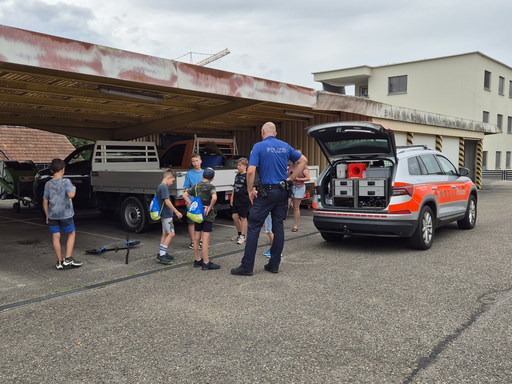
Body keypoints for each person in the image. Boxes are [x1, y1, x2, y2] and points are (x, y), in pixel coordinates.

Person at [231, 122, 307, 276]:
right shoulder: (285, 146)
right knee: (278, 226)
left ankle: (247, 267)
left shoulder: (259, 146)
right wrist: (290, 179)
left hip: (266, 193)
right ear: (275, 133)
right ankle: (273, 265)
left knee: (253, 227)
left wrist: (250, 190)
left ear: (262, 131)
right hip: (282, 193)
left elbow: (251, 171)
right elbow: (303, 161)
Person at [43, 158, 82, 270]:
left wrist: (47, 215)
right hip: (65, 214)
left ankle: (59, 261)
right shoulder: (66, 182)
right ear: (63, 170)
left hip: (52, 215)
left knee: (56, 236)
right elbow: (71, 195)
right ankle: (68, 258)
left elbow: (45, 202)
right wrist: (74, 189)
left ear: (51, 170)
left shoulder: (48, 184)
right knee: (71, 234)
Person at [182, 167, 221, 270]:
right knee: (205, 240)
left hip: (197, 215)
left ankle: (197, 260)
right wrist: (209, 207)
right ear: (212, 179)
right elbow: (215, 197)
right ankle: (206, 262)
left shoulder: (196, 186)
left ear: (202, 176)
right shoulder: (211, 187)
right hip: (207, 216)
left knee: (196, 238)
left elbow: (185, 195)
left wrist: (192, 205)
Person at [156, 169, 183, 265]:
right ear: (168, 177)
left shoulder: (159, 186)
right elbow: (167, 201)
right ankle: (162, 255)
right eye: (172, 181)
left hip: (163, 214)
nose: (172, 183)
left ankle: (162, 252)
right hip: (167, 214)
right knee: (171, 234)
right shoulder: (164, 187)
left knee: (165, 233)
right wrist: (177, 212)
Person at [183, 153, 204, 250]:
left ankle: (201, 241)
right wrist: (188, 202)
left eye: (196, 161)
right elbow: (186, 190)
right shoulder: (189, 174)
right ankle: (192, 242)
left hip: (203, 202)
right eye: (193, 161)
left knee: (202, 221)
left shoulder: (204, 173)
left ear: (200, 161)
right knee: (191, 222)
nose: (195, 163)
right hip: (192, 202)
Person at [287, 151, 310, 232]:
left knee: (296, 207)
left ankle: (295, 226)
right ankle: (280, 223)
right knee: (286, 205)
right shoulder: (291, 166)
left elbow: (308, 178)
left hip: (299, 187)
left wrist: (298, 179)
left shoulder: (304, 167)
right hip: (290, 187)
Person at [230, 157, 251, 244]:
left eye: (240, 165)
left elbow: (250, 188)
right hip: (236, 199)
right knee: (234, 217)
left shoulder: (248, 176)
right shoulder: (237, 175)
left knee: (243, 217)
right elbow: (234, 188)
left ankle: (243, 235)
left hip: (244, 200)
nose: (238, 167)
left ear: (245, 166)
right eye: (237, 165)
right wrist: (232, 198)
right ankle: (239, 233)